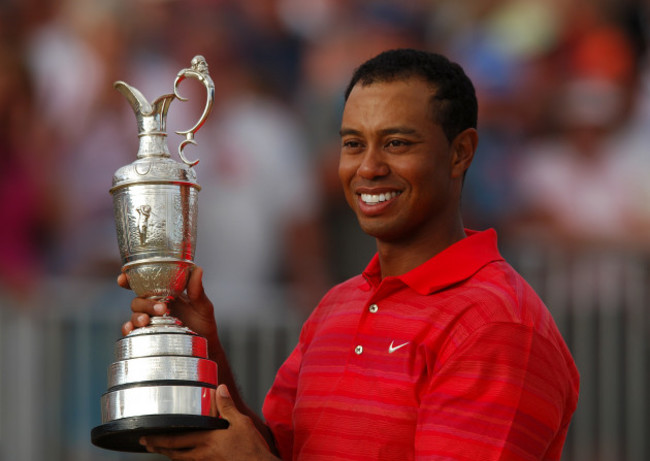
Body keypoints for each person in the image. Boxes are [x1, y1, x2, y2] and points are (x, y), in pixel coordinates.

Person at [119, 48, 579, 461]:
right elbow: (280, 452)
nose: (369, 167)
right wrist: (201, 347)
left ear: (461, 152)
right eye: (353, 144)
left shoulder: (497, 326)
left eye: (397, 143)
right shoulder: (336, 307)